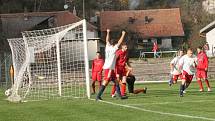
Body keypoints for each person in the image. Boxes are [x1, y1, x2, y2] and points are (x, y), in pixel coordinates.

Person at [96, 29, 127, 101]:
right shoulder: (113, 49)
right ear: (114, 44)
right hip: (108, 68)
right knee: (105, 82)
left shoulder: (107, 47)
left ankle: (120, 96)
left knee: (116, 81)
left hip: (110, 68)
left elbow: (107, 40)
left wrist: (107, 32)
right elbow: (120, 42)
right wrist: (123, 34)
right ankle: (98, 96)